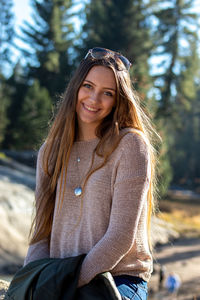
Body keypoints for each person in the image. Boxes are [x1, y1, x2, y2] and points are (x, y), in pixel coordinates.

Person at [24, 47, 159, 300]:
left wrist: (65, 285)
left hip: (119, 278)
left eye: (107, 93)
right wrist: (31, 280)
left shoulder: (130, 145)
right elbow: (41, 234)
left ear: (118, 100)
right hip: (60, 277)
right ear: (76, 87)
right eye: (88, 86)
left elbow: (120, 237)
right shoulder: (50, 152)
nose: (94, 99)